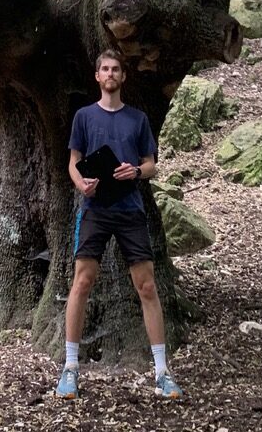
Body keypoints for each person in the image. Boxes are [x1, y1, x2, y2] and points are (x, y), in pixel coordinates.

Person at [55, 49, 183, 399]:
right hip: (95, 208)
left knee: (146, 286)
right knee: (82, 281)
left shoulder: (137, 119)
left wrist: (136, 172)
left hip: (130, 209)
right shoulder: (84, 117)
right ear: (97, 76)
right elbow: (74, 161)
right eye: (105, 69)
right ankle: (69, 368)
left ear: (123, 77)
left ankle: (162, 371)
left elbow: (151, 164)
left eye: (115, 69)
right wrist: (81, 184)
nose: (110, 74)